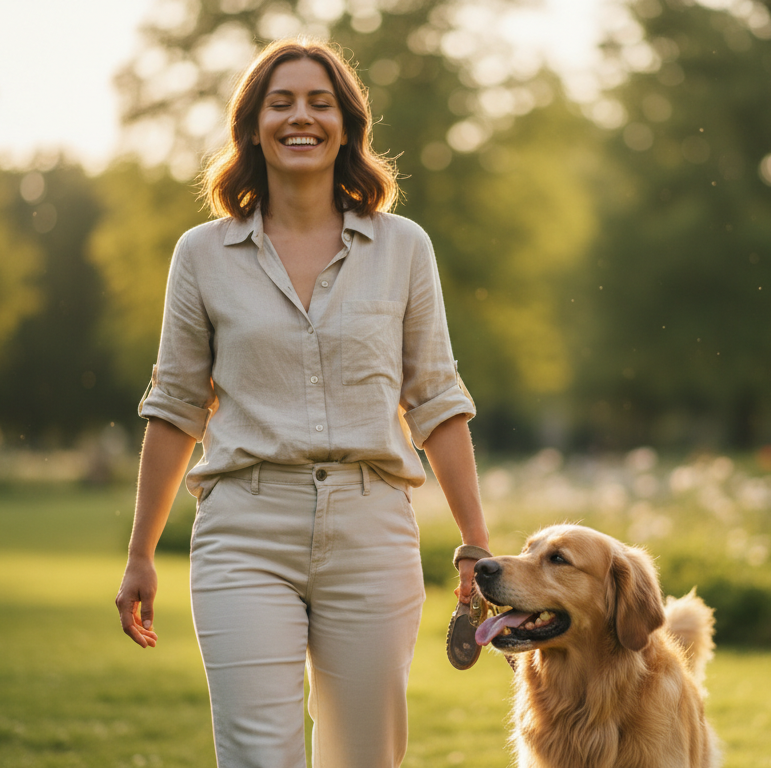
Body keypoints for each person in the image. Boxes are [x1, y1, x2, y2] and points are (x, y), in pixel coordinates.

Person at [112, 37, 490, 768]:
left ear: (347, 125)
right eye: (279, 103)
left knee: (364, 756)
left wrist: (474, 540)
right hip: (244, 531)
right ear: (252, 125)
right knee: (259, 755)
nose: (300, 117)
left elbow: (437, 400)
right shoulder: (201, 255)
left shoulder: (403, 248)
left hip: (370, 530)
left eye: (320, 103)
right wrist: (140, 553)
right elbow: (176, 407)